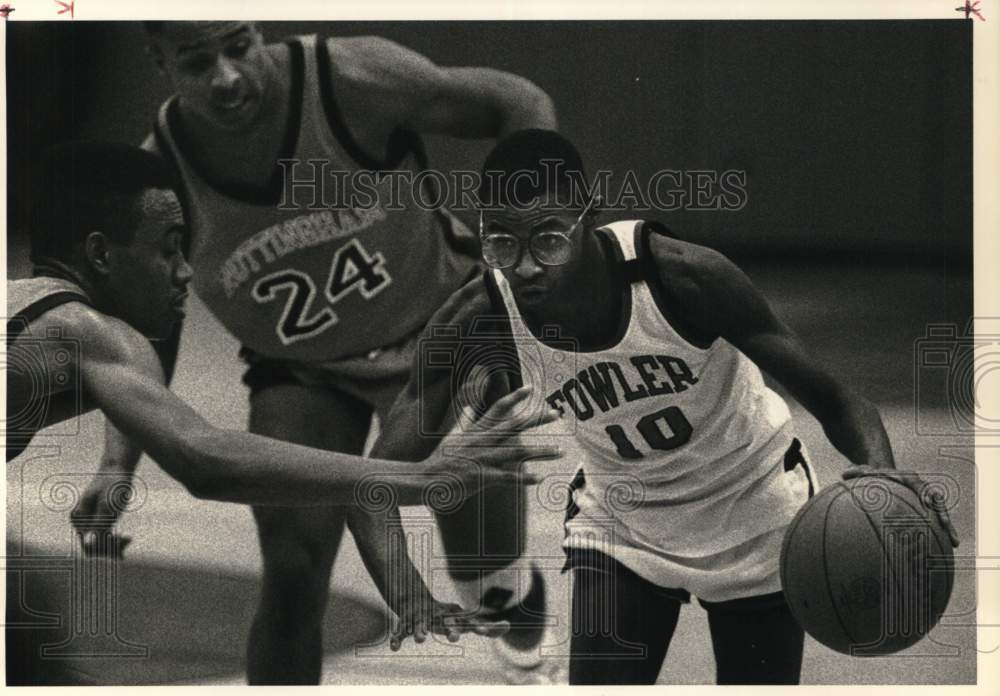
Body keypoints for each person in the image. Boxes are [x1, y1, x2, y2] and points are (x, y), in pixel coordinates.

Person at [371, 129, 962, 684]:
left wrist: (884, 477)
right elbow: (372, 479)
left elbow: (838, 399)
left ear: (587, 218)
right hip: (623, 522)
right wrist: (404, 588)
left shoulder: (682, 278)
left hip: (753, 507)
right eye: (501, 242)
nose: (525, 265)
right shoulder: (477, 319)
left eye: (548, 239)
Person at [70, 21, 559, 684]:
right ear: (158, 61)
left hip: (442, 337)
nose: (227, 79)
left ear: (258, 29)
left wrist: (526, 235)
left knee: (488, 575)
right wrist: (115, 462)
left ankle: (527, 643)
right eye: (197, 62)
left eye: (239, 47)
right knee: (294, 574)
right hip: (305, 372)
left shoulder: (350, 80)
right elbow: (148, 322)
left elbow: (517, 100)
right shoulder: (162, 172)